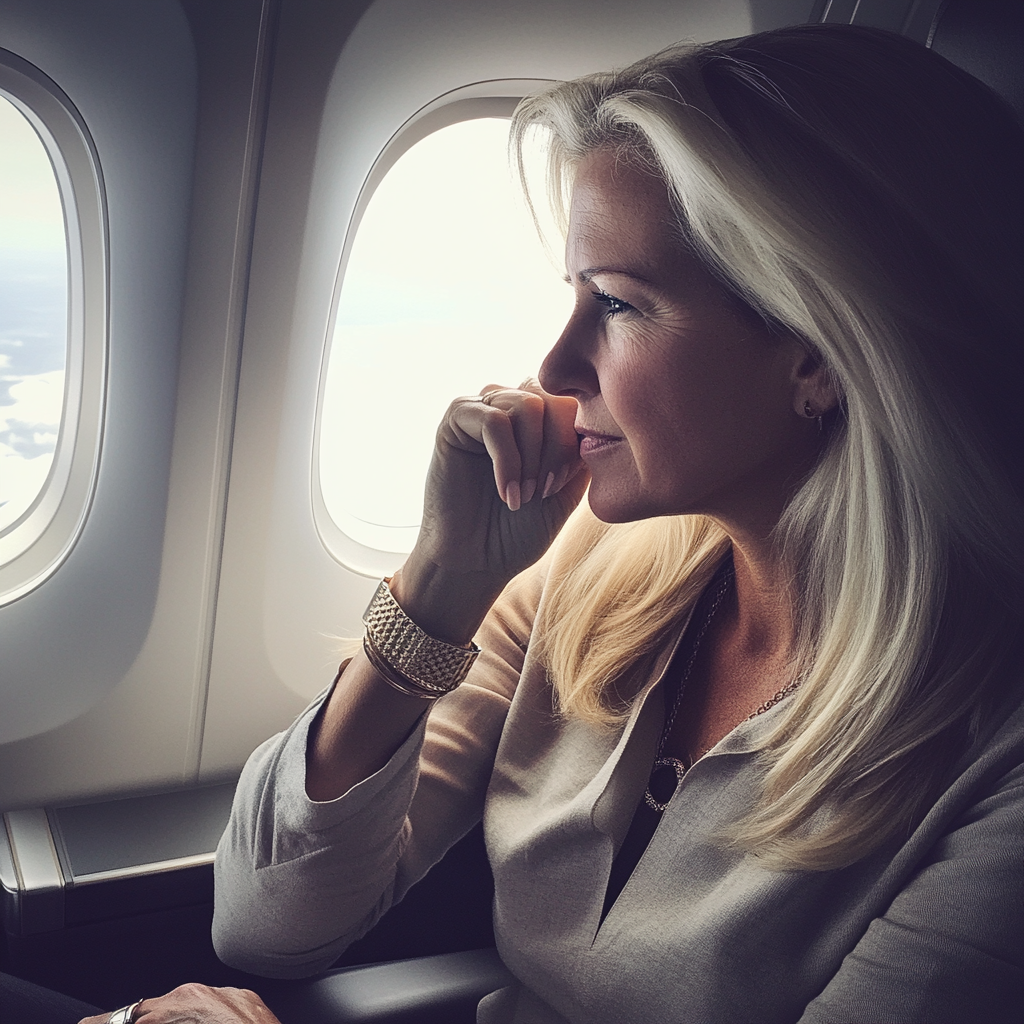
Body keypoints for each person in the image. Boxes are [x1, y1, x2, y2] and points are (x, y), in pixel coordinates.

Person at [65, 22, 1024, 1024]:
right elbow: (267, 922)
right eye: (574, 294)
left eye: (615, 305)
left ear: (817, 355)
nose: (556, 368)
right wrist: (441, 584)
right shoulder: (594, 572)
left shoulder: (992, 765)